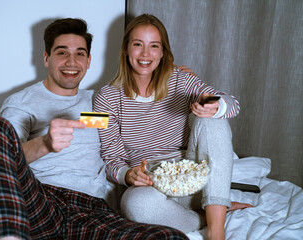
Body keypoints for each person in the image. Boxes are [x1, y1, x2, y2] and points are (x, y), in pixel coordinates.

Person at [0, 18, 189, 240]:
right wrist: (45, 144)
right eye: (62, 53)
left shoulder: (101, 101)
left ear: (89, 60)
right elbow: (2, 157)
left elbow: (141, 113)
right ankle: (8, 236)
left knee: (170, 237)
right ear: (46, 58)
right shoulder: (22, 103)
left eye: (80, 53)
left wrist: (172, 75)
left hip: (92, 210)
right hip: (40, 201)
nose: (71, 62)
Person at [93, 14, 251, 240]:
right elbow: (109, 156)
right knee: (135, 205)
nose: (146, 54)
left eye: (154, 46)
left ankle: (216, 229)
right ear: (126, 49)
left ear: (163, 52)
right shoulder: (106, 98)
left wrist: (217, 105)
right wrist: (127, 175)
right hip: (150, 187)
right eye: (138, 45)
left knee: (212, 118)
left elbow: (232, 103)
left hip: (195, 181)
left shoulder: (181, 80)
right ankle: (206, 217)